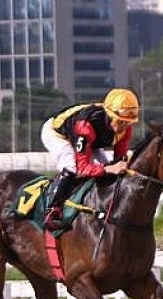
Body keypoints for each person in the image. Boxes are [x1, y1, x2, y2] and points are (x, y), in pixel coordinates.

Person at [39, 87, 140, 230]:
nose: (124, 126)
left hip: (92, 140)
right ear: (110, 115)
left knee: (110, 170)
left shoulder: (126, 128)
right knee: (71, 168)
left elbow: (119, 160)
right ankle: (52, 210)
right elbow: (83, 168)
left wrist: (118, 166)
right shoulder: (86, 126)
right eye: (120, 121)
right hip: (58, 134)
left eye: (128, 122)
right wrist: (108, 168)